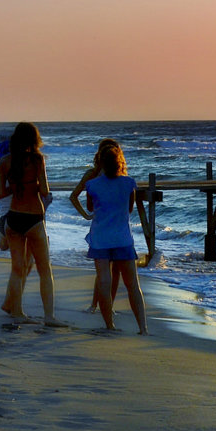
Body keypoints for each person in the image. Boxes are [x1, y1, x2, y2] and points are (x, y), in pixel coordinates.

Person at [76, 140, 148, 335]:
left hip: (100, 237)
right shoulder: (129, 183)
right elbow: (130, 208)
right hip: (123, 237)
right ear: (120, 162)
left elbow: (91, 208)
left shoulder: (92, 184)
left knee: (104, 281)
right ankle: (143, 327)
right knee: (132, 284)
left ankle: (109, 325)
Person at [0, 122, 64, 327]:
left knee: (17, 269)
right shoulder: (37, 160)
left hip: (14, 217)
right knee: (45, 270)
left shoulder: (5, 162)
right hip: (34, 218)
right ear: (34, 140)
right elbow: (44, 190)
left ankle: (17, 313)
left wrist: (17, 188)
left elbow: (1, 193)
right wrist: (33, 187)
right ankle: (49, 317)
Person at [69, 139, 125, 312]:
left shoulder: (99, 175)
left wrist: (87, 214)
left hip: (104, 224)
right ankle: (100, 305)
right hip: (113, 226)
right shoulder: (101, 175)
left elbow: (77, 198)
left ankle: (102, 305)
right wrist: (87, 214)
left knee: (106, 270)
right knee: (109, 270)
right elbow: (75, 197)